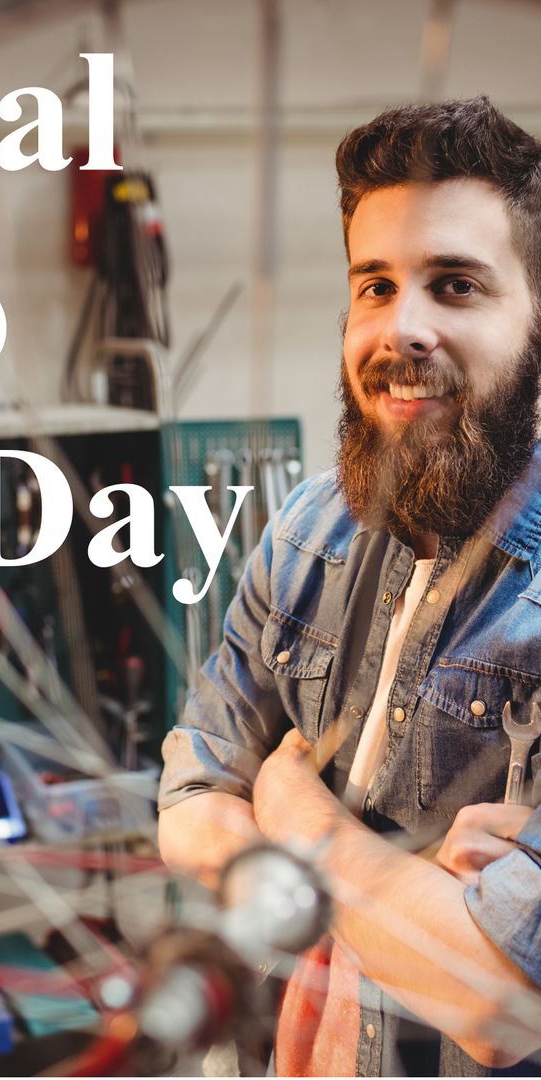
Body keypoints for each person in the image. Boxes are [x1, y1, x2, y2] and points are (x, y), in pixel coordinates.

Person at [158, 96, 541, 1076]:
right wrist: (381, 904)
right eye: (375, 285)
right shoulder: (307, 530)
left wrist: (294, 813)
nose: (399, 327)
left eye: (454, 285)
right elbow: (196, 779)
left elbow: (500, 1000)